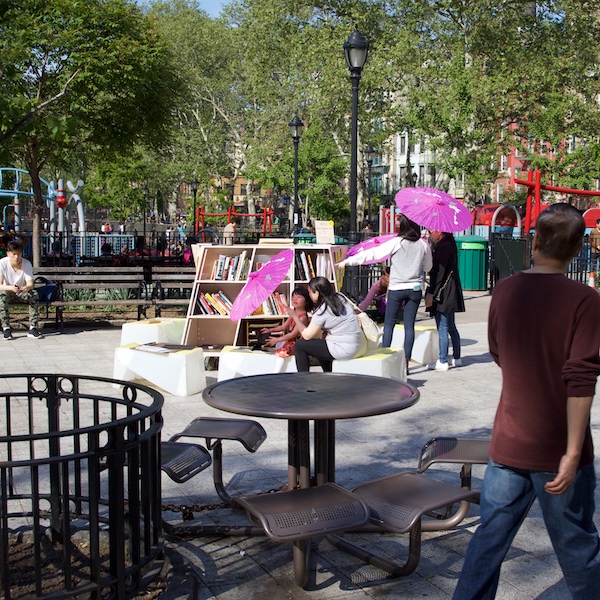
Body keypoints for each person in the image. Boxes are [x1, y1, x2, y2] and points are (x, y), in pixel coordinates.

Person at [453, 203, 600, 599]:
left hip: (509, 441)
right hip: (557, 447)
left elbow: (499, 353)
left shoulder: (505, 290)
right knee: (577, 546)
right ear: (575, 249)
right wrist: (572, 452)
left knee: (488, 542)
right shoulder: (585, 301)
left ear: (534, 241)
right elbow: (581, 381)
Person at [338, 215, 432, 371]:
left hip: (396, 289)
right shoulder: (423, 245)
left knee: (389, 325)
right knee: (409, 326)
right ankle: (406, 362)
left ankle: (385, 357)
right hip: (414, 289)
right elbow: (428, 268)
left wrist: (348, 261)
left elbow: (373, 254)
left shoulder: (396, 242)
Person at [287, 277, 366, 372]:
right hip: (360, 345)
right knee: (320, 344)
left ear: (317, 293)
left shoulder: (322, 310)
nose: (309, 295)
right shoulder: (340, 297)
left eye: (310, 292)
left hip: (346, 349)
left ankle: (303, 379)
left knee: (300, 345)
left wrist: (295, 316)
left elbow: (307, 335)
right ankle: (328, 374)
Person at [425, 230, 465, 371]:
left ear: (439, 231)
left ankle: (442, 360)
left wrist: (431, 293)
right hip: (450, 289)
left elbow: (438, 272)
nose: (430, 234)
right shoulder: (450, 245)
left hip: (443, 291)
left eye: (431, 231)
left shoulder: (443, 247)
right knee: (450, 325)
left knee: (442, 326)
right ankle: (456, 357)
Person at [0, 241, 42, 340]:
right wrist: (11, 287)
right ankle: (6, 328)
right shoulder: (2, 263)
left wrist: (27, 288)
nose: (16, 257)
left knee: (34, 294)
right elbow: (0, 285)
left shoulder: (26, 264)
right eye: (14, 254)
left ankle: (33, 327)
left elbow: (30, 284)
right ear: (8, 254)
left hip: (22, 291)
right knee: (2, 296)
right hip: (8, 291)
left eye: (18, 254)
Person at [260, 287, 313, 358]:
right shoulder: (293, 314)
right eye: (293, 297)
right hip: (290, 342)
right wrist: (270, 330)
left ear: (306, 301)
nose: (295, 299)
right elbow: (283, 327)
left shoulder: (302, 318)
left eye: (298, 297)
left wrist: (277, 340)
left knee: (280, 353)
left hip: (297, 344)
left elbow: (293, 334)